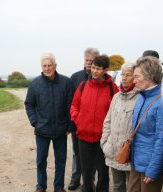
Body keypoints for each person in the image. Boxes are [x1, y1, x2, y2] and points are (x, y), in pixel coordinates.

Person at [25, 53, 73, 192]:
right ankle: (41, 186)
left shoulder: (66, 82)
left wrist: (70, 125)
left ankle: (58, 187)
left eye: (49, 65)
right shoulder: (35, 84)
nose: (47, 68)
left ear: (55, 66)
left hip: (61, 130)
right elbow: (29, 104)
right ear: (42, 67)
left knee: (61, 161)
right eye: (44, 66)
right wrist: (34, 121)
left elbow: (71, 105)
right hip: (42, 130)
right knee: (41, 161)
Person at [70, 55, 119, 192]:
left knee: (103, 174)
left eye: (98, 68)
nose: (94, 71)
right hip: (83, 138)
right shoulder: (83, 85)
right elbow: (74, 106)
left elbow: (116, 112)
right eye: (93, 67)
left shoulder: (113, 89)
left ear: (106, 70)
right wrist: (78, 120)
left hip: (103, 140)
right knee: (86, 174)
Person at [101, 62, 139, 192]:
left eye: (128, 75)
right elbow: (107, 121)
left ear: (135, 77)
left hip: (129, 153)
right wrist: (105, 142)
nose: (124, 78)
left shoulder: (140, 98)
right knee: (117, 186)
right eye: (123, 74)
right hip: (113, 151)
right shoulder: (116, 97)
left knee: (131, 187)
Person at [127, 56, 163, 192]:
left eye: (137, 77)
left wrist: (153, 170)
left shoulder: (160, 102)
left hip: (150, 167)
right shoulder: (141, 97)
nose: (134, 81)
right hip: (136, 163)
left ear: (150, 76)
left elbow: (161, 140)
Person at [68, 47, 99, 190]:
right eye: (86, 60)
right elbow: (70, 103)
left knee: (91, 156)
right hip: (77, 126)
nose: (88, 63)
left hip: (94, 127)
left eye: (91, 61)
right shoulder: (75, 77)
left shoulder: (100, 78)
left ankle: (89, 181)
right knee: (77, 153)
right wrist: (72, 123)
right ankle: (75, 179)